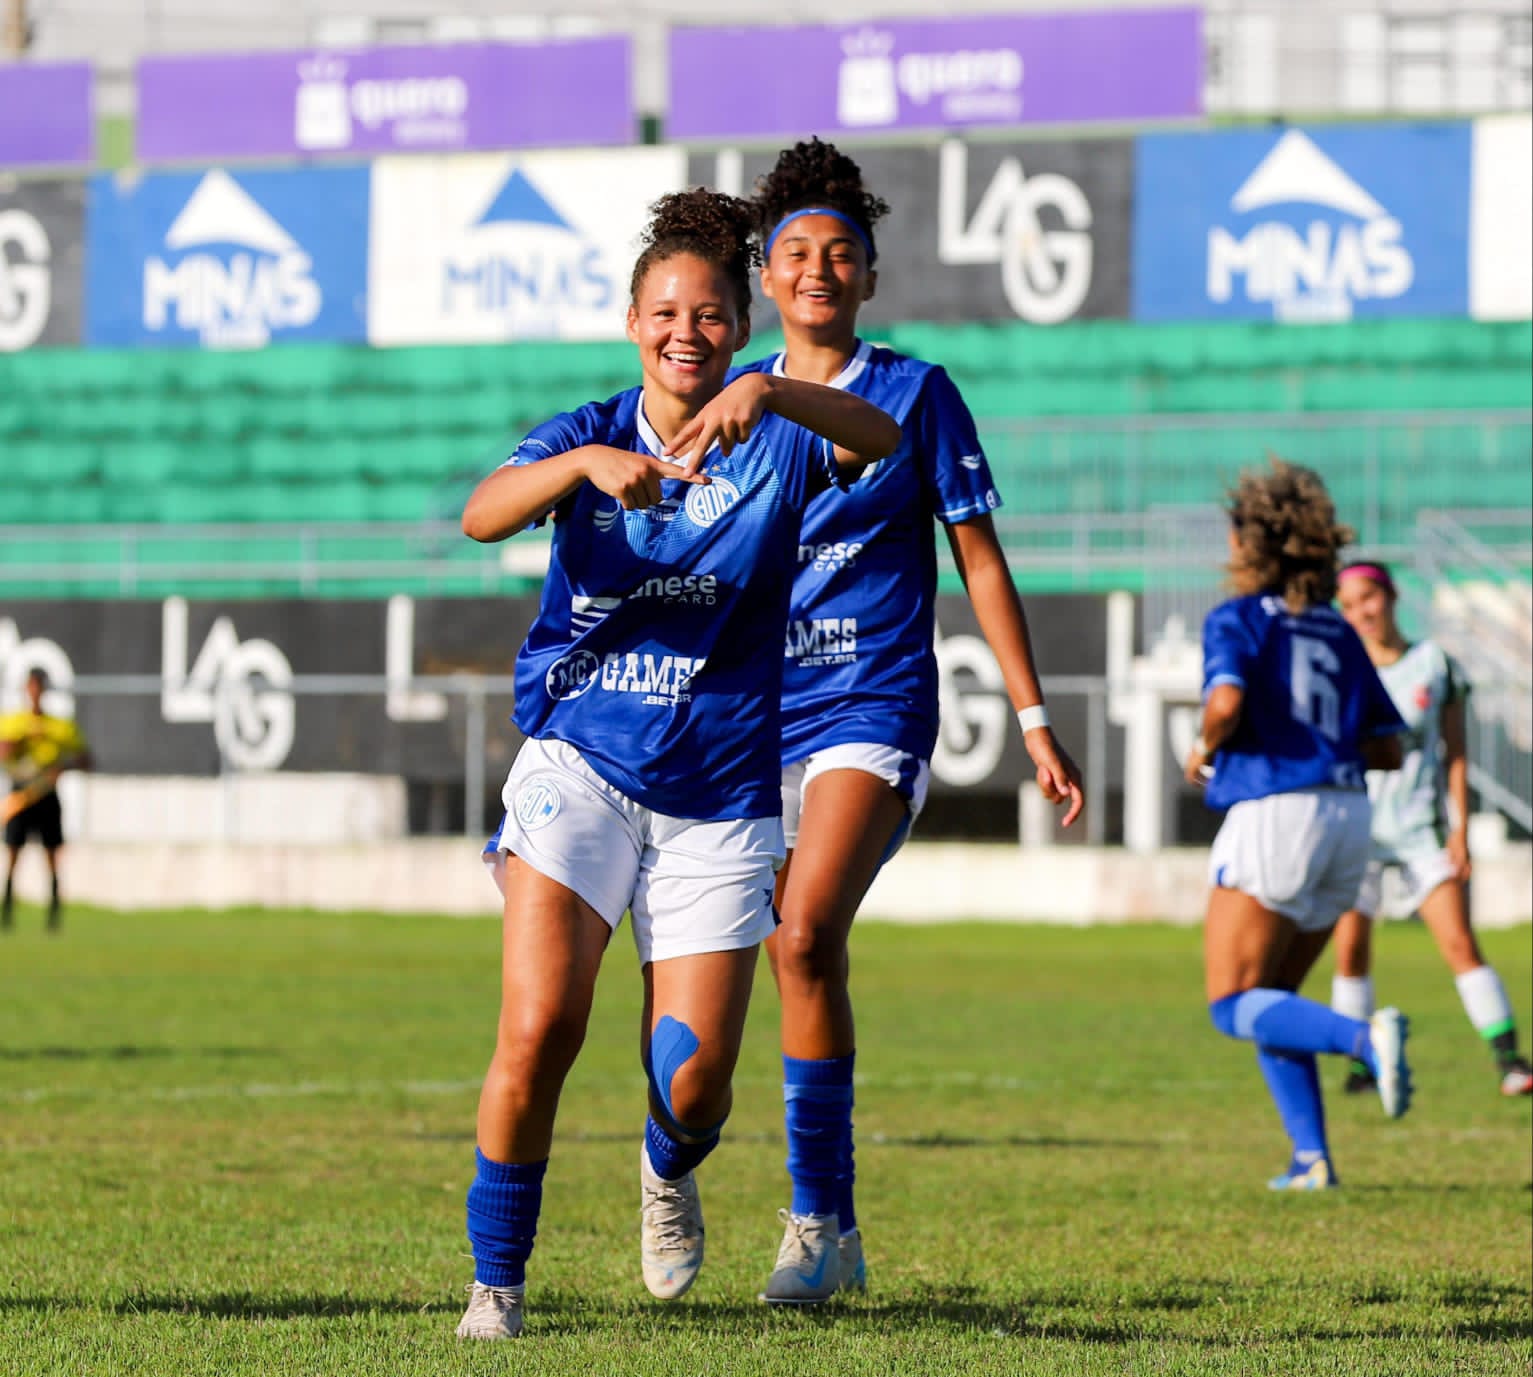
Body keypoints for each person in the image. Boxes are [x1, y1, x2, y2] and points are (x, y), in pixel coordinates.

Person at [452, 188, 901, 1341]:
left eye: (710, 316)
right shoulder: (584, 430)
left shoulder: (780, 433)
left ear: (738, 329)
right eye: (665, 312)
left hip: (718, 796)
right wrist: (586, 468)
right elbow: (482, 514)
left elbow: (884, 441)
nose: (686, 332)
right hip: (581, 764)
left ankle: (666, 1169)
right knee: (542, 1023)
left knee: (695, 1085)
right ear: (632, 320)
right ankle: (495, 1288)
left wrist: (778, 391)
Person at [739, 138, 1084, 1303]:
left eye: (842, 251)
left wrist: (1033, 717)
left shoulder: (918, 391)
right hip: (747, 724)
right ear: (766, 275)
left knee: (802, 931)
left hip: (871, 710)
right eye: (796, 252)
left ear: (871, 275)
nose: (819, 268)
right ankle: (710, 1184)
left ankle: (818, 1226)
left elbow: (979, 561)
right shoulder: (731, 401)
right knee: (747, 958)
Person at [1187, 459, 1412, 1192]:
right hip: (1348, 817)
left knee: (1229, 1004)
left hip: (1275, 813)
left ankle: (1362, 1039)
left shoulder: (1237, 617)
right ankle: (1310, 1158)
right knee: (1272, 998)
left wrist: (1203, 747)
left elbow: (1222, 704)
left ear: (1250, 540)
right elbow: (1387, 744)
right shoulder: (1340, 631)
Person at [1329, 561, 1533, 1097]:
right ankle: (1360, 1063)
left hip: (1422, 830)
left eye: (1368, 599)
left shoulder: (1432, 664)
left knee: (1459, 942)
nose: (1361, 613)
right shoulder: (1343, 669)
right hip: (1358, 830)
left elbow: (1456, 753)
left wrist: (1460, 828)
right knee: (1350, 949)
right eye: (1347, 606)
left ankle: (1510, 1060)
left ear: (1391, 596)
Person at [1, 667, 92, 932]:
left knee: (51, 853)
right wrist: (19, 743)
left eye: (39, 687)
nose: (35, 692)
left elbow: (85, 758)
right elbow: (4, 754)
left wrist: (62, 767)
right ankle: (6, 910)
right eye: (31, 687)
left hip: (46, 793)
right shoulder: (13, 722)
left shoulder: (60, 726)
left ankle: (54, 912)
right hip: (23, 790)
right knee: (13, 851)